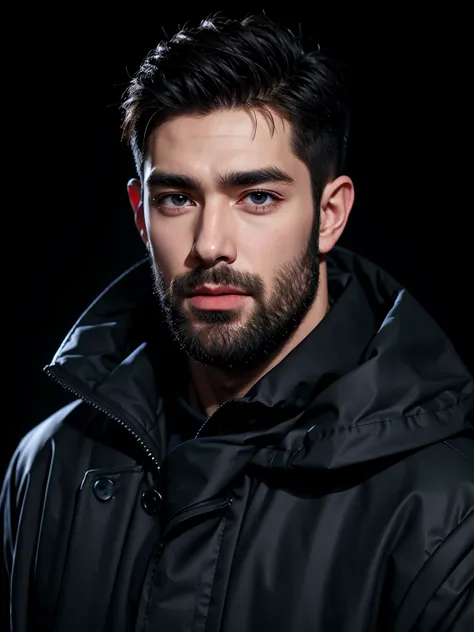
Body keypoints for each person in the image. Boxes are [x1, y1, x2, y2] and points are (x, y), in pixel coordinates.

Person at [1, 12, 473, 632]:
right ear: (142, 216)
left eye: (257, 197)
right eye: (178, 199)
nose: (210, 244)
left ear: (329, 215)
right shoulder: (50, 464)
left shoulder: (447, 503)